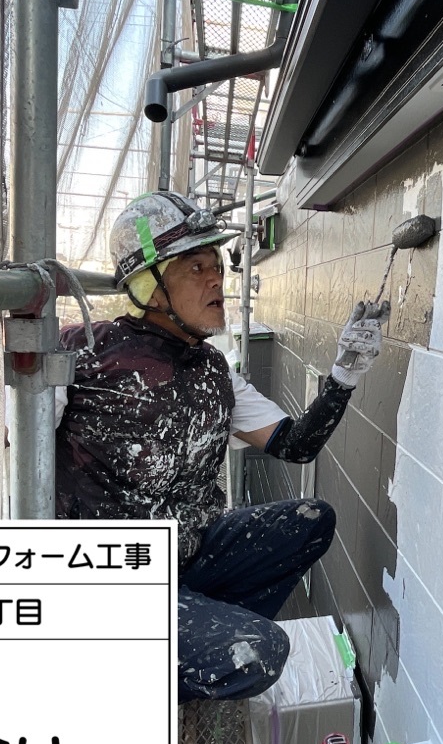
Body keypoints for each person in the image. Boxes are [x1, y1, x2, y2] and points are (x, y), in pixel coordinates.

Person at [54, 191, 386, 701]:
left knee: (311, 521)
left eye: (216, 265)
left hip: (187, 560)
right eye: (195, 267)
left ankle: (197, 636)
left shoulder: (214, 372)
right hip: (109, 586)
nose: (216, 280)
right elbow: (22, 457)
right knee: (261, 651)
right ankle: (135, 671)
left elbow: (295, 445)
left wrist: (344, 375)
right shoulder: (81, 352)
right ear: (149, 286)